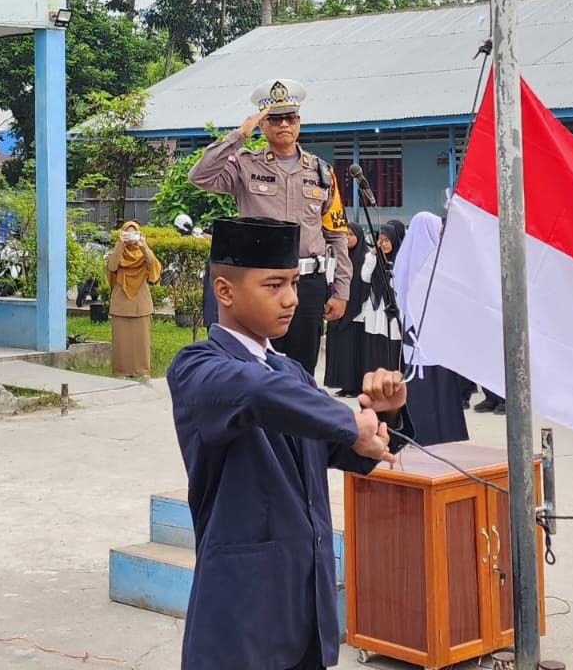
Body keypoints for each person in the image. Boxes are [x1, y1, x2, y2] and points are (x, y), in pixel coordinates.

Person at [166, 217, 408, 670]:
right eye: (274, 285)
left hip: (306, 611)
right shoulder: (196, 366)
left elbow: (345, 448)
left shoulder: (291, 374)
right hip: (242, 614)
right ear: (225, 291)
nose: (292, 299)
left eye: (295, 283)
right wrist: (346, 419)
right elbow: (255, 393)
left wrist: (381, 415)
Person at [188, 80, 352, 375]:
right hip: (259, 283)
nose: (284, 125)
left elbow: (337, 236)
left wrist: (341, 291)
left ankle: (299, 422)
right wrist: (240, 134)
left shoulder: (323, 173)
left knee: (302, 372)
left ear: (299, 121)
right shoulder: (245, 166)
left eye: (291, 118)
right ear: (262, 125)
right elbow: (200, 176)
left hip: (307, 285)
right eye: (274, 119)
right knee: (256, 368)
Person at [391, 212, 470, 447]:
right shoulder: (435, 266)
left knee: (420, 392)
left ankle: (419, 437)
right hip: (435, 339)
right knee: (441, 393)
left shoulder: (405, 262)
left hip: (414, 340)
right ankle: (445, 436)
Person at [106, 222, 162, 378]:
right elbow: (112, 267)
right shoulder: (117, 252)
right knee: (121, 340)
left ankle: (142, 370)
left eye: (134, 234)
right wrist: (120, 245)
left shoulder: (143, 254)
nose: (130, 238)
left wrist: (144, 246)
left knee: (141, 340)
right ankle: (121, 370)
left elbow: (154, 268)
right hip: (121, 301)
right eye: (127, 234)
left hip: (140, 301)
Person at [354, 220, 404, 381]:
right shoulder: (375, 258)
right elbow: (365, 277)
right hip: (377, 306)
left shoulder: (401, 259)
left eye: (387, 240)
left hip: (394, 305)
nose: (383, 244)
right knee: (377, 342)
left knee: (392, 342)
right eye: (380, 240)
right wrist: (372, 255)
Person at [323, 225, 369, 396]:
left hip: (356, 314)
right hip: (338, 311)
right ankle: (344, 385)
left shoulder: (365, 258)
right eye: (345, 235)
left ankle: (356, 386)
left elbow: (364, 287)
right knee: (341, 351)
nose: (348, 238)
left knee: (354, 351)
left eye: (351, 235)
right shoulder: (339, 258)